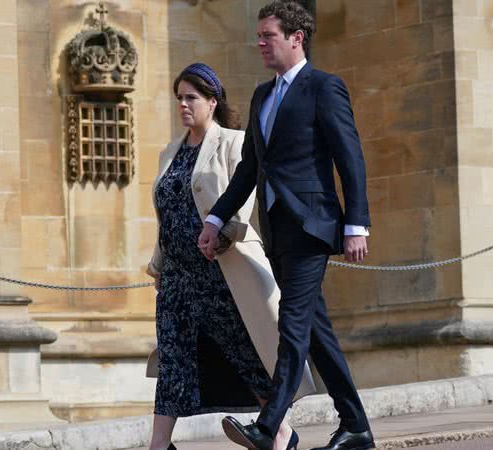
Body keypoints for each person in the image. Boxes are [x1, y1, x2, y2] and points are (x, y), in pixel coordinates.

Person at [197, 3, 376, 450]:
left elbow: (349, 159)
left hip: (313, 227)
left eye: (268, 35)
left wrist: (357, 225)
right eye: (258, 35)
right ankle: (356, 426)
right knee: (315, 331)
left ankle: (269, 422)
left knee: (293, 325)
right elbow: (249, 169)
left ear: (296, 37)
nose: (260, 42)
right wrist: (216, 217)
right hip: (277, 229)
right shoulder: (261, 95)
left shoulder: (324, 88)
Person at [145, 63, 315, 450]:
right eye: (179, 98)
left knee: (245, 351)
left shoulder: (233, 143)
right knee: (172, 358)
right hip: (177, 276)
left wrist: (224, 232)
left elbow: (242, 199)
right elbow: (165, 213)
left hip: (219, 269)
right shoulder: (169, 152)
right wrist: (158, 264)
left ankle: (280, 432)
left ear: (211, 101)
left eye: (191, 98)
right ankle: (158, 445)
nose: (184, 105)